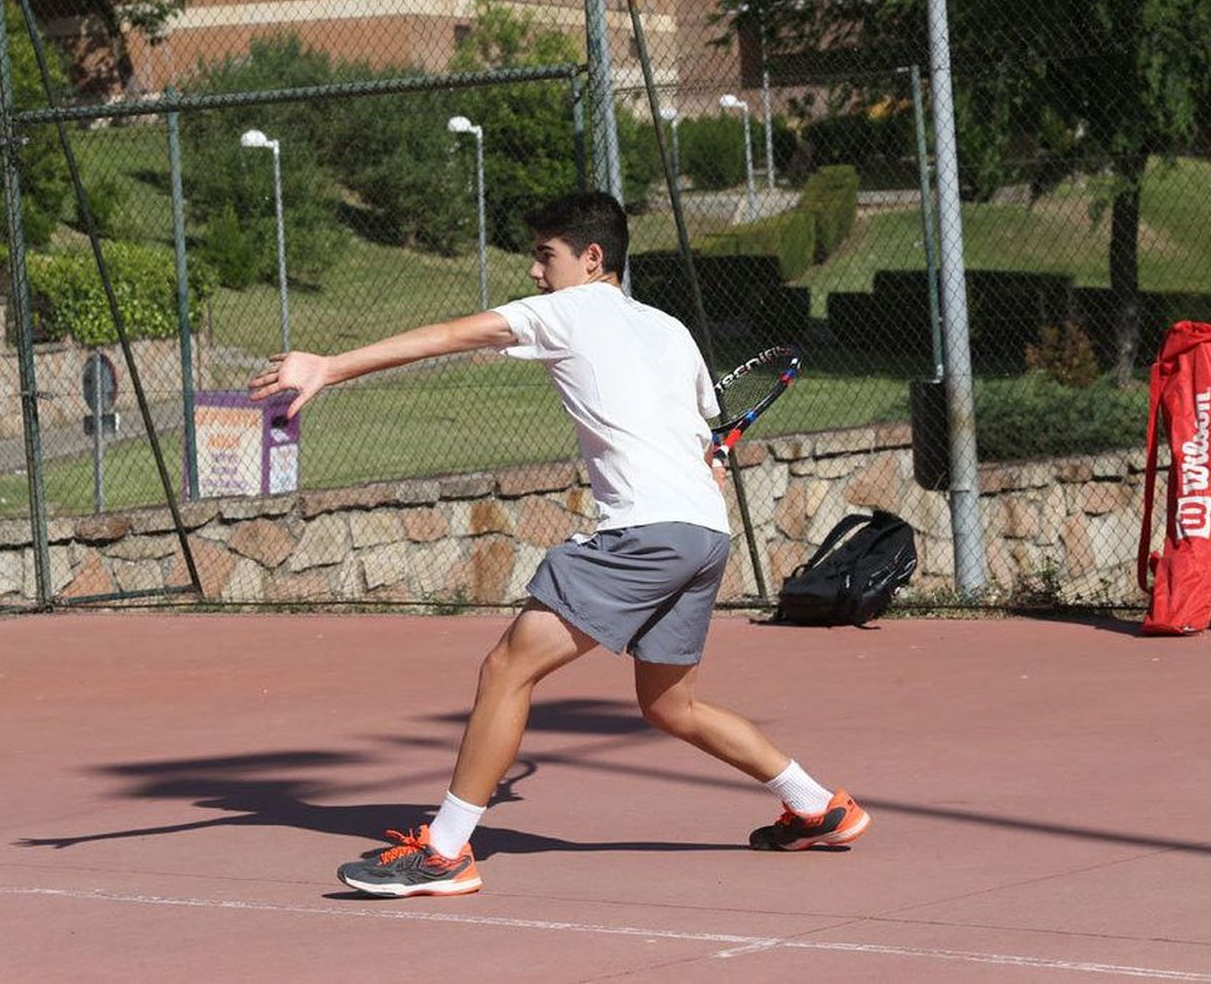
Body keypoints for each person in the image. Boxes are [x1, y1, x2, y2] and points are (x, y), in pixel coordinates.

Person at [248, 191, 868, 898]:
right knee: (672, 706)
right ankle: (819, 805)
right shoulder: (671, 330)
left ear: (592, 258)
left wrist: (331, 365)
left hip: (644, 531)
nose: (537, 272)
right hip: (702, 532)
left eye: (547, 256)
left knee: (507, 668)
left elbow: (454, 334)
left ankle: (445, 853)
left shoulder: (566, 312)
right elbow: (701, 445)